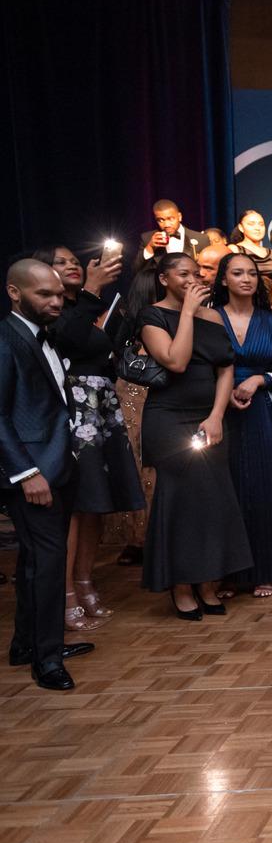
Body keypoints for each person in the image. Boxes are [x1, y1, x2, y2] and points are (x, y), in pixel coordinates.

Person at [128, 253, 252, 618]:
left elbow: (226, 368)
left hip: (208, 418)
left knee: (213, 502)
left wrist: (216, 416)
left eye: (196, 274)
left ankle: (208, 584)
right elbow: (176, 360)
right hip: (168, 420)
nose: (192, 279)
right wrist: (186, 313)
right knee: (180, 504)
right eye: (183, 274)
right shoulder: (152, 316)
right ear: (164, 279)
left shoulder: (214, 316)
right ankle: (181, 586)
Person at [38, 246, 143, 630]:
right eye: (59, 262)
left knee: (95, 503)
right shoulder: (52, 310)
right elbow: (67, 339)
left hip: (101, 411)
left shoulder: (92, 305)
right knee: (75, 508)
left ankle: (84, 582)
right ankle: (65, 593)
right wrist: (92, 292)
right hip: (73, 414)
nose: (72, 267)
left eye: (73, 261)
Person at [3, 259, 89, 689]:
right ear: (15, 293)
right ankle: (48, 660)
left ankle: (27, 645)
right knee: (49, 562)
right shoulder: (6, 338)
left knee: (36, 562)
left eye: (58, 294)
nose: (56, 301)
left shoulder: (43, 335)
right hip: (34, 472)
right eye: (44, 295)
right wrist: (25, 473)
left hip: (59, 464)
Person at [213, 252, 272, 598]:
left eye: (251, 273)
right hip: (219, 411)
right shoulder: (210, 319)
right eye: (237, 273)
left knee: (265, 486)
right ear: (224, 280)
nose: (246, 279)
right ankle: (230, 574)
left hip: (262, 412)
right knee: (227, 489)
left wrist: (259, 380)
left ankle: (268, 569)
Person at [137, 199, 203, 271]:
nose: (166, 225)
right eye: (160, 220)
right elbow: (136, 270)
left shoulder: (201, 238)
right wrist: (150, 248)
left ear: (179, 216)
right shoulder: (147, 238)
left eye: (171, 219)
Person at [232, 210, 272, 298]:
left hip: (268, 307)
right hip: (244, 305)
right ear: (241, 227)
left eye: (261, 224)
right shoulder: (235, 250)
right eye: (251, 224)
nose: (257, 228)